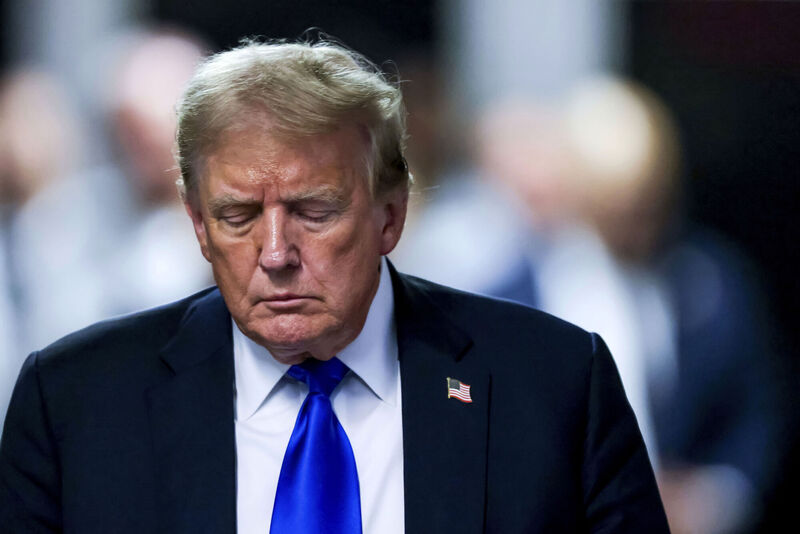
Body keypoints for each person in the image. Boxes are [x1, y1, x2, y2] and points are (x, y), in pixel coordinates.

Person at [0, 39, 669, 533]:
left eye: (314, 212)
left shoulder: (553, 386)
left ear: (391, 214)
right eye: (237, 217)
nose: (276, 253)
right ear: (197, 226)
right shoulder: (74, 406)